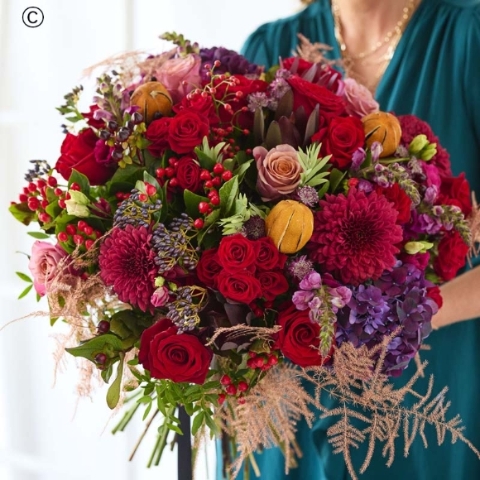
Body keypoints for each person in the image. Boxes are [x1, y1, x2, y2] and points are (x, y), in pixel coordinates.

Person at [216, 0, 480, 479]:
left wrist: (407, 318)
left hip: (430, 398)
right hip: (285, 403)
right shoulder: (270, 48)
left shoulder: (469, 38)